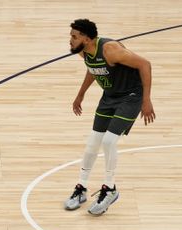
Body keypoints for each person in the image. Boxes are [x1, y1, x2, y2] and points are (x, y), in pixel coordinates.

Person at [64, 18, 155, 216]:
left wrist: (146, 100)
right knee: (92, 143)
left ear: (87, 39)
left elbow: (145, 65)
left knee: (109, 141)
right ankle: (82, 187)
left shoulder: (110, 50)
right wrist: (80, 95)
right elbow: (93, 69)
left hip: (131, 97)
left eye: (74, 36)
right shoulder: (83, 51)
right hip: (110, 96)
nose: (70, 40)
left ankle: (110, 188)